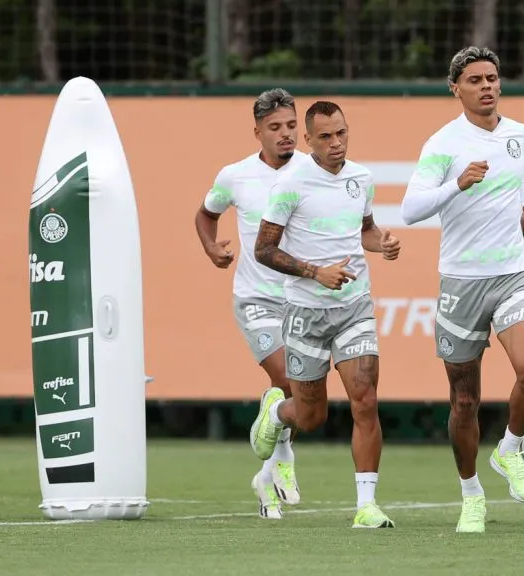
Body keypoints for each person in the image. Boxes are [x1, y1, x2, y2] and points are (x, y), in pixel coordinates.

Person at [401, 46, 524, 534]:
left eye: (492, 78)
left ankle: (509, 448)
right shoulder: (443, 143)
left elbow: (522, 183)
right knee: (464, 400)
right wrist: (457, 185)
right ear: (455, 88)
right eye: (475, 80)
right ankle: (471, 495)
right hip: (461, 283)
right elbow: (410, 209)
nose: (486, 86)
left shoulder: (521, 135)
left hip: (513, 274)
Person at [250, 100, 402, 529]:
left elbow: (365, 230)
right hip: (306, 312)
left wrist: (383, 244)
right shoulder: (291, 185)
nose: (336, 143)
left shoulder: (361, 179)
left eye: (341, 133)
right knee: (311, 416)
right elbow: (264, 249)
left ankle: (367, 506)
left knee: (365, 399)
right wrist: (315, 272)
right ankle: (276, 413)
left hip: (355, 307)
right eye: (325, 137)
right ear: (308, 140)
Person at [194, 88, 304, 520]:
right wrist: (211, 247)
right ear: (257, 132)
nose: (285, 134)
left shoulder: (313, 171)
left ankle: (266, 476)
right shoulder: (235, 176)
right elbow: (206, 214)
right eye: (275, 127)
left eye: (291, 125)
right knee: (288, 377)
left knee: (300, 392)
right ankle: (285, 460)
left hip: (303, 299)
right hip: (256, 298)